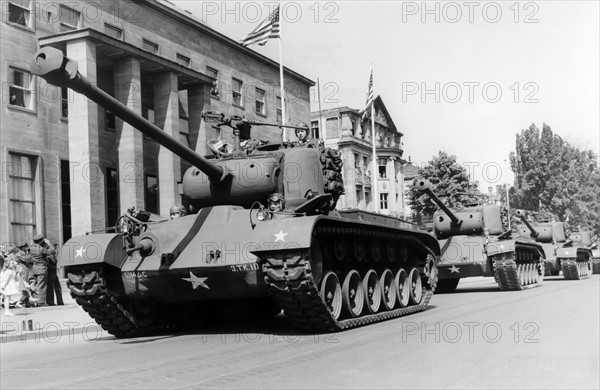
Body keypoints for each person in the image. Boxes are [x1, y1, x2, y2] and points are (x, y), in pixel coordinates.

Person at [29, 234, 54, 306]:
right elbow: (52, 251)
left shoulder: (31, 248)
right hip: (41, 268)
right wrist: (49, 243)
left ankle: (35, 300)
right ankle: (40, 302)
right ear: (40, 241)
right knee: (41, 286)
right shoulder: (41, 249)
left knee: (36, 284)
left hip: (34, 267)